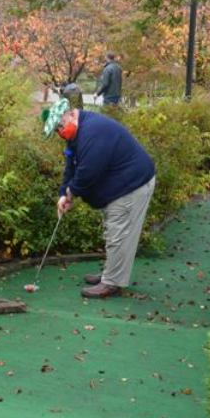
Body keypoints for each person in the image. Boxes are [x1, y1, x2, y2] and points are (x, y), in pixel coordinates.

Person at [43, 98, 155, 298]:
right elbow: (71, 166)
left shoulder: (93, 132)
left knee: (118, 234)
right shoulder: (75, 135)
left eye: (60, 126)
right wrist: (63, 193)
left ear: (70, 114)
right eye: (56, 131)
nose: (60, 132)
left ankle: (111, 283)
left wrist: (71, 193)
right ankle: (110, 273)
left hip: (131, 184)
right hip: (119, 185)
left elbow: (88, 172)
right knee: (112, 230)